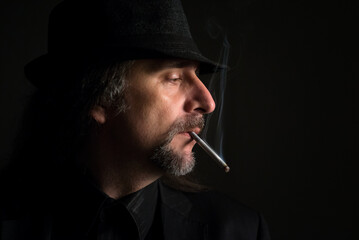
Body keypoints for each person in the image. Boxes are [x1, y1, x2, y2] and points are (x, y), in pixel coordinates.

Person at [0, 0, 271, 239]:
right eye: (174, 78)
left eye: (198, 75)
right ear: (100, 99)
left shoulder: (236, 230)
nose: (208, 102)